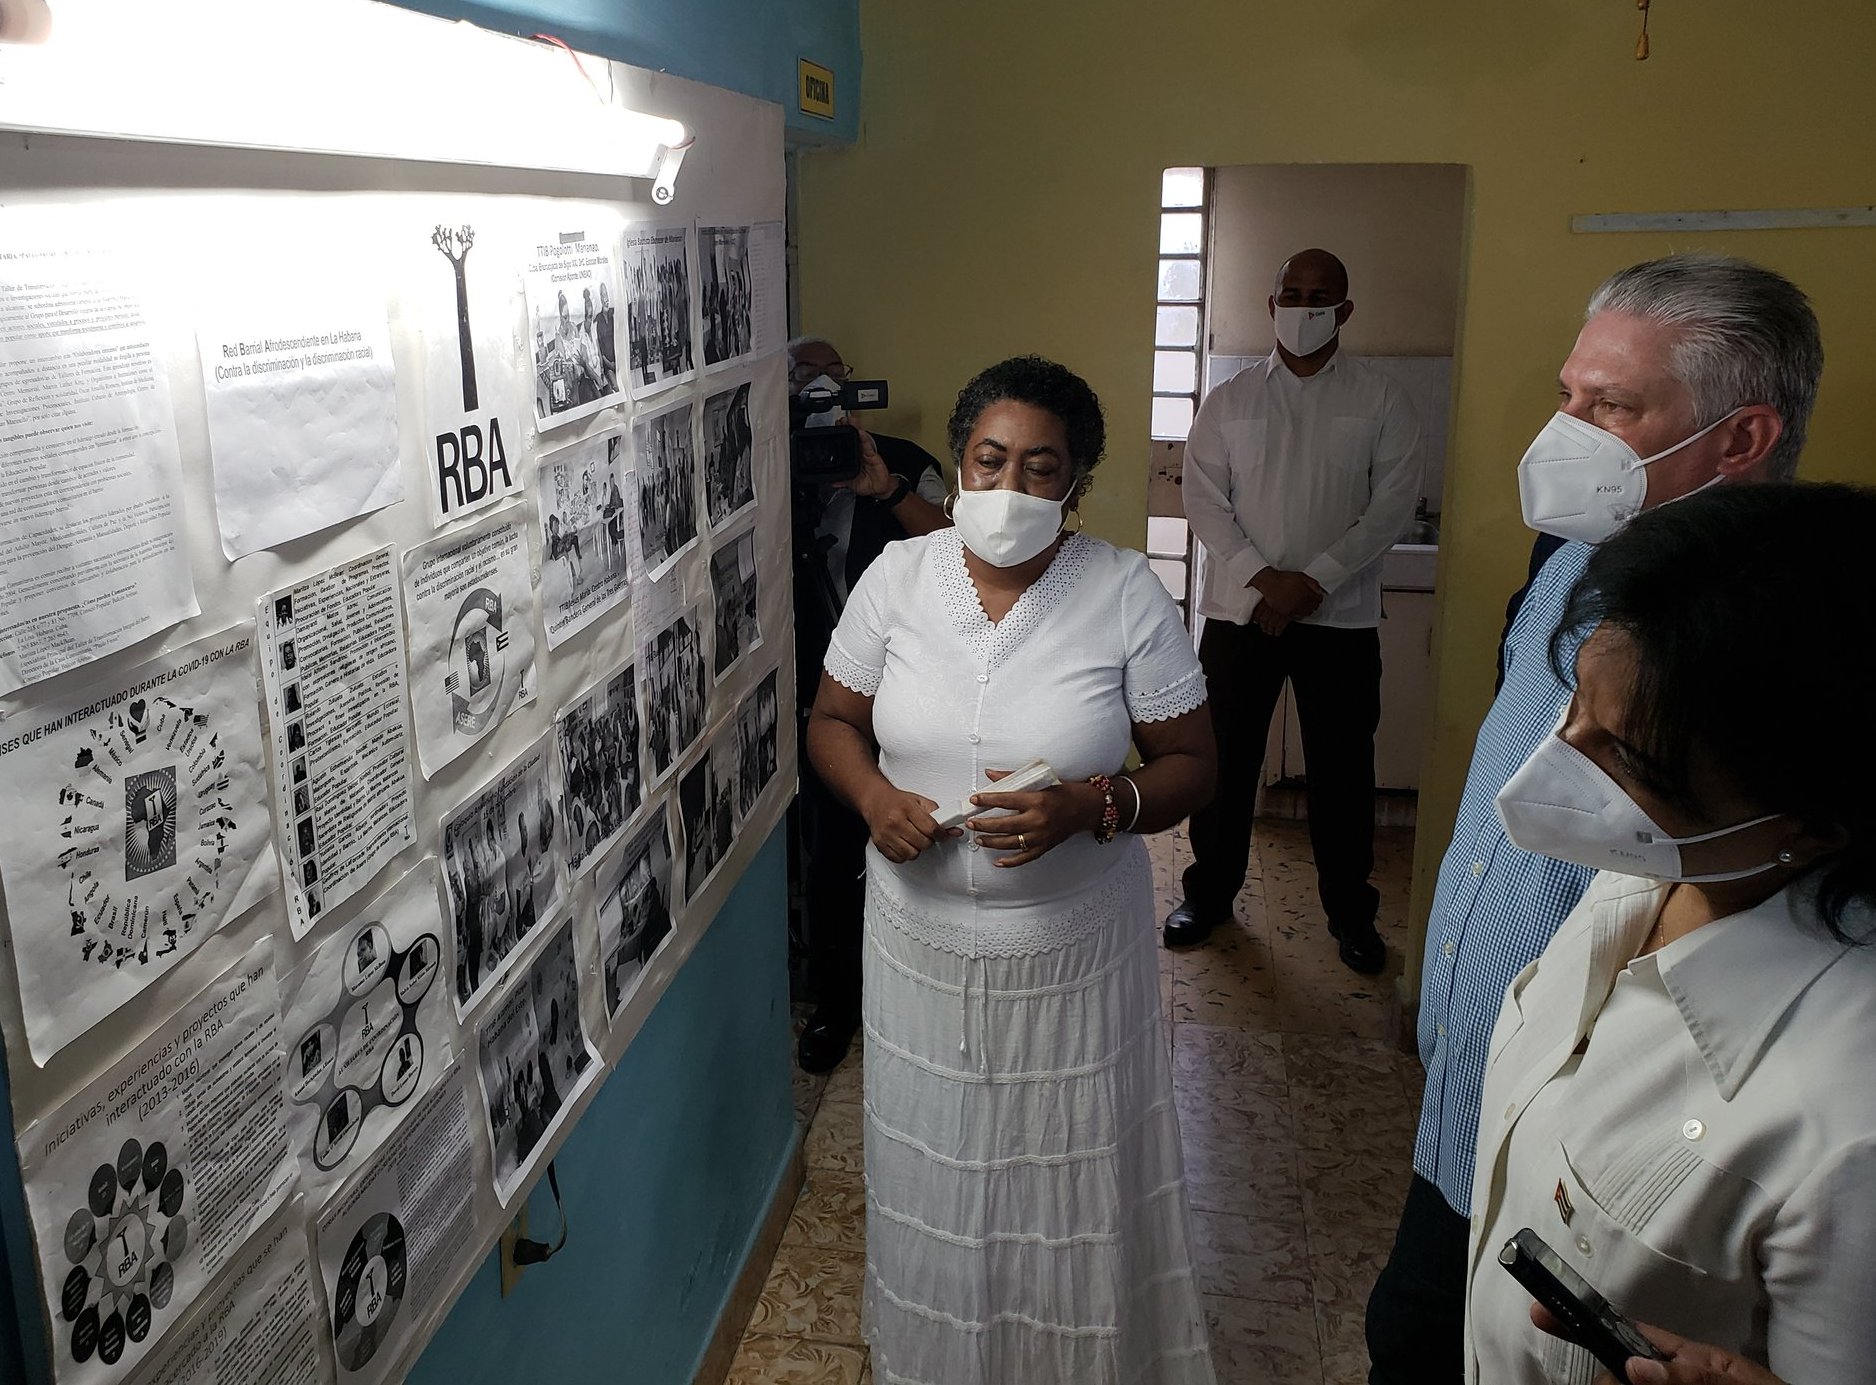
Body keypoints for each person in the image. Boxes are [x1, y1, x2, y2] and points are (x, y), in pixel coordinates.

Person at [1366, 254, 1823, 1385]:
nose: (1564, 431)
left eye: (1611, 407)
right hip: (1465, 1102)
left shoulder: (1779, 655)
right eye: (1569, 396)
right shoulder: (1569, 551)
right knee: (1411, 1339)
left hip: (1600, 1161)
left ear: (1738, 438)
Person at [807, 356, 1218, 1383]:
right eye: (988, 461)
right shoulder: (897, 578)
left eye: (1041, 468)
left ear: (1075, 484)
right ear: (956, 465)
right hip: (920, 945)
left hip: (1070, 957)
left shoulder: (1122, 589)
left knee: (1065, 1174)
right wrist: (872, 797)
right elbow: (832, 720)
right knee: (937, 1166)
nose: (1009, 488)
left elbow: (1194, 764)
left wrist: (1095, 804)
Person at [1466, 481, 1876, 1385]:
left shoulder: (1849, 1133)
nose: (1563, 759)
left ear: (1813, 822)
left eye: (1629, 754)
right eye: (1575, 702)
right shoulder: (1649, 877)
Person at [1166, 248, 1422, 973]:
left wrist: (1312, 581)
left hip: (1338, 621)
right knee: (1224, 763)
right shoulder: (1230, 399)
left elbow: (1392, 505)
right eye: (1293, 292)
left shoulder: (1381, 399)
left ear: (1344, 310)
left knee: (1343, 773)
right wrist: (1262, 580)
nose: (1305, 307)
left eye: (1321, 296)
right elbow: (1202, 499)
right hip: (1240, 616)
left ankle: (1351, 915)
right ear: (1269, 300)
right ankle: (1208, 895)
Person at [789, 334, 953, 1073]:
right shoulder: (769, 458)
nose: (820, 386)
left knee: (922, 839)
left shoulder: (901, 459)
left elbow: (956, 549)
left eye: (833, 373)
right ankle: (836, 998)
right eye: (803, 372)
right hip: (821, 696)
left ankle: (923, 992)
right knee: (829, 852)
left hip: (909, 691)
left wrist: (881, 487)